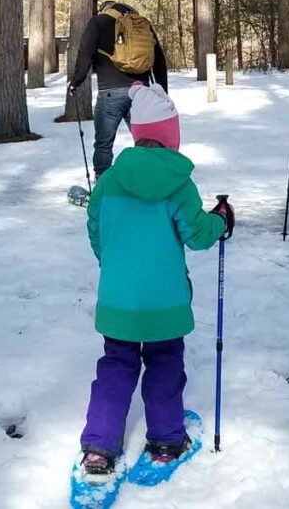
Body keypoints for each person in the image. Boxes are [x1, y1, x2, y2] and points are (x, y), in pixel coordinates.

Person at [78, 82, 234, 480]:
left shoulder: (110, 181)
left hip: (119, 300)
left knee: (116, 366)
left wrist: (111, 264)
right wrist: (221, 220)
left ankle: (99, 447)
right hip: (165, 302)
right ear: (170, 136)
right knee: (164, 364)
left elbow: (97, 230)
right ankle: (165, 440)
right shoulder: (178, 184)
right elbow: (198, 235)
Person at [69, 2, 169, 178]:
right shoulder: (142, 24)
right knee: (146, 141)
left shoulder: (98, 22)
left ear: (106, 9)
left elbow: (85, 53)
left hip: (110, 91)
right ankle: (153, 179)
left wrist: (76, 81)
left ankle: (103, 184)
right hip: (141, 93)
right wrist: (162, 92)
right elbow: (159, 60)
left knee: (103, 143)